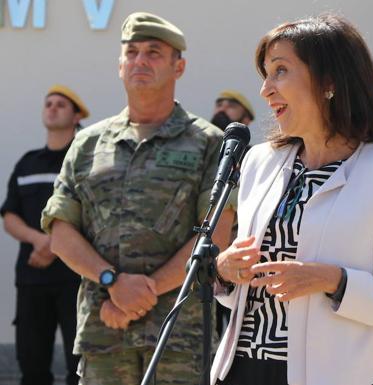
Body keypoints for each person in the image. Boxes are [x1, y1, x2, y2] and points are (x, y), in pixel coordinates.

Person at [210, 14, 373, 385]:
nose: (265, 90)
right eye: (265, 74)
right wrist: (226, 270)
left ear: (330, 81)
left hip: (337, 374)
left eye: (280, 71)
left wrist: (333, 280)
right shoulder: (258, 161)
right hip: (244, 369)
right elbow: (237, 291)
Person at [40, 12, 235, 385]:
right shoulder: (87, 144)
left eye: (153, 52)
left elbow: (215, 235)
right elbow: (61, 233)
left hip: (178, 337)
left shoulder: (209, 143)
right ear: (120, 65)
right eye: (131, 52)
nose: (140, 61)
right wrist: (113, 282)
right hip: (103, 336)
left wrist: (139, 294)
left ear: (179, 66)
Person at [1, 85, 88, 385]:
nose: (52, 108)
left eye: (61, 105)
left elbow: (92, 213)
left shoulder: (85, 161)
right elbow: (9, 215)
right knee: (32, 363)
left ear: (77, 116)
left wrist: (56, 245)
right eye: (48, 103)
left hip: (76, 278)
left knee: (80, 367)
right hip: (32, 278)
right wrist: (39, 241)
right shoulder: (27, 162)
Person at [210, 90, 255, 338]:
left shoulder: (255, 159)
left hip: (238, 258)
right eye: (219, 102)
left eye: (231, 106)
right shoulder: (206, 150)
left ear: (246, 120)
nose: (222, 108)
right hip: (206, 258)